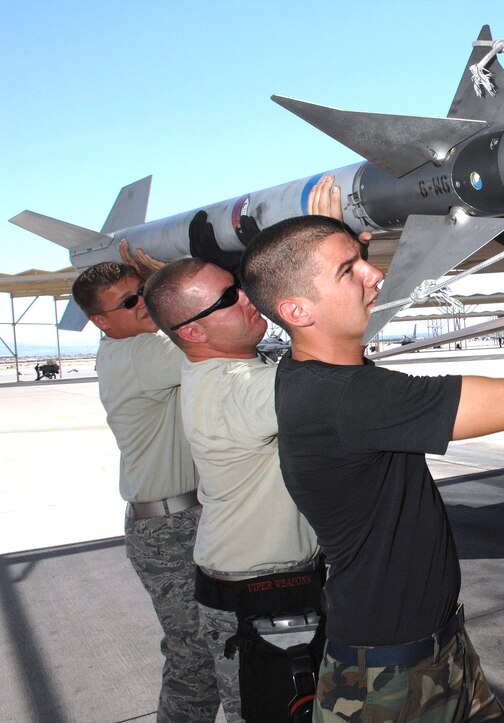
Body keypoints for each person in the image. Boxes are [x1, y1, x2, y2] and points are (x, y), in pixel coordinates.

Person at [240, 206, 504, 722]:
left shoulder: (313, 373)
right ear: (296, 311)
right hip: (386, 677)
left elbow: (333, 332)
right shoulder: (351, 399)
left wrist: (330, 245)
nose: (375, 273)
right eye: (349, 271)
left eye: (361, 260)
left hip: (438, 649)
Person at [142, 258, 324, 722]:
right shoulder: (241, 389)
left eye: (237, 287)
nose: (247, 298)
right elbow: (340, 376)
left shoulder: (221, 367)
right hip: (260, 597)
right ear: (194, 334)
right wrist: (318, 272)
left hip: (259, 584)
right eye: (228, 299)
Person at [71, 251, 219, 722]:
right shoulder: (141, 352)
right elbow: (217, 341)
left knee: (200, 649)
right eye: (131, 301)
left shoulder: (131, 347)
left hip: (180, 518)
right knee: (195, 658)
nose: (143, 305)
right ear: (100, 321)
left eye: (144, 294)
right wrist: (177, 286)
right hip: (171, 529)